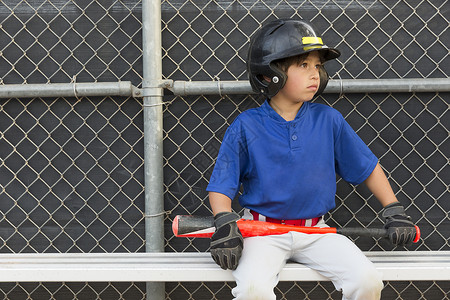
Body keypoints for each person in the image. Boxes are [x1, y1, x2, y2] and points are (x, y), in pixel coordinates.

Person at [206, 18, 417, 300]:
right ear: (270, 74)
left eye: (317, 66)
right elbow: (222, 184)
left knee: (367, 281)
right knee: (252, 289)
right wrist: (224, 221)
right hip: (262, 231)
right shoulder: (247, 126)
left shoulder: (328, 120)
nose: (315, 74)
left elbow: (368, 168)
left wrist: (394, 209)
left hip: (317, 230)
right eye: (303, 65)